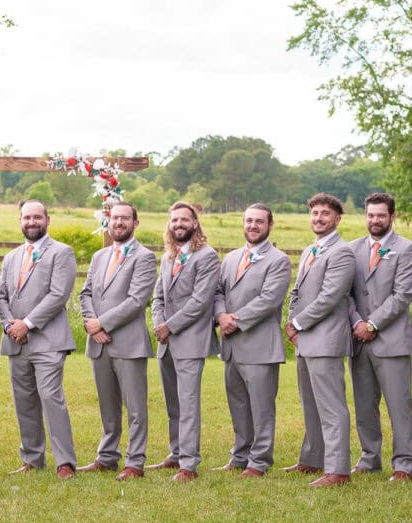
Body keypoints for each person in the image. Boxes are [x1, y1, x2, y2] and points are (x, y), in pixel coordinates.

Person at [0, 200, 79, 478]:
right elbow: (0, 298)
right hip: (16, 341)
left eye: (37, 217)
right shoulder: (11, 258)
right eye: (26, 218)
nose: (32, 222)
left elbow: (58, 294)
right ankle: (33, 458)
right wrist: (10, 325)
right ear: (20, 220)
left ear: (47, 219)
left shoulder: (62, 253)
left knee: (51, 397)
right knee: (24, 399)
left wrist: (27, 324)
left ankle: (65, 461)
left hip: (48, 340)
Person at [77, 202, 157, 480]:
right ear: (108, 222)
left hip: (129, 343)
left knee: (135, 407)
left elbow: (137, 301)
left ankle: (135, 462)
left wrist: (103, 322)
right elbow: (85, 293)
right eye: (115, 218)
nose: (119, 222)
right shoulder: (99, 256)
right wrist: (91, 325)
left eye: (125, 218)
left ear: (136, 223)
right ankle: (107, 456)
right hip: (99, 343)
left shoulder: (144, 257)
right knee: (107, 405)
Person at [347, 192, 412, 480]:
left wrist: (372, 324)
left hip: (391, 340)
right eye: (370, 215)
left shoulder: (407, 249)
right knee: (364, 404)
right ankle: (369, 458)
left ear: (392, 216)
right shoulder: (352, 249)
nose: (375, 220)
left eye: (381, 215)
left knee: (398, 405)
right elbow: (346, 294)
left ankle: (403, 464)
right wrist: (356, 322)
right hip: (358, 339)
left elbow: (402, 296)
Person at [284, 193, 357, 487]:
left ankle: (338, 470)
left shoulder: (342, 252)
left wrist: (298, 323)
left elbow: (330, 297)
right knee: (310, 403)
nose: (318, 218)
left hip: (325, 339)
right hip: (305, 339)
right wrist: (291, 322)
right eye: (314, 213)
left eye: (325, 214)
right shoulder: (309, 250)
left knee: (331, 406)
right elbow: (297, 292)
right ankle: (313, 459)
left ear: (337, 218)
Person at [213, 203, 291, 476]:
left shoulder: (278, 260)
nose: (253, 226)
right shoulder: (231, 258)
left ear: (270, 225)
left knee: (261, 408)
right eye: (248, 221)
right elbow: (218, 292)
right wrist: (220, 315)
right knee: (238, 405)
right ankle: (240, 456)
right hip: (232, 347)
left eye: (259, 221)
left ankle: (260, 461)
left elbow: (269, 300)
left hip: (260, 346)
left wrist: (235, 321)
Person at [149, 201, 220, 482]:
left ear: (195, 224)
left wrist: (170, 325)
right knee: (173, 403)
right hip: (165, 340)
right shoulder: (169, 256)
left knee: (188, 403)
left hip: (190, 340)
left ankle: (189, 465)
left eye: (184, 220)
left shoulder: (207, 256)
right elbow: (157, 297)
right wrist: (158, 324)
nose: (178, 224)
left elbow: (200, 302)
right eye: (174, 220)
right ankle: (176, 453)